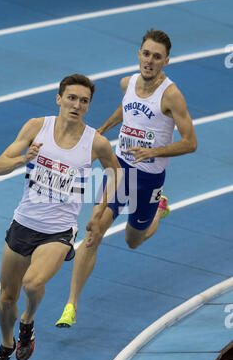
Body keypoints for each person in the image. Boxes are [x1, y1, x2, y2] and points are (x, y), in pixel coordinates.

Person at [55, 29, 198, 328]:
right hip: (119, 169)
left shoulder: (171, 95)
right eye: (146, 53)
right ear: (139, 54)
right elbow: (128, 107)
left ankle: (159, 208)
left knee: (134, 240)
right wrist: (103, 128)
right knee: (94, 231)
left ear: (166, 61)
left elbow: (190, 142)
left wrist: (154, 151)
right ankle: (71, 306)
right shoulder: (128, 82)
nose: (150, 60)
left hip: (149, 181)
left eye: (157, 57)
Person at [0, 74, 121, 360]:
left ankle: (28, 322)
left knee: (32, 283)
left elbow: (116, 173)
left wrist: (100, 211)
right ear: (59, 99)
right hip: (23, 223)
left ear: (88, 106)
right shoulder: (37, 127)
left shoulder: (95, 143)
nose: (77, 105)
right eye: (71, 98)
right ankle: (6, 345)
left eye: (84, 101)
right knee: (7, 296)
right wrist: (24, 159)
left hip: (58, 231)